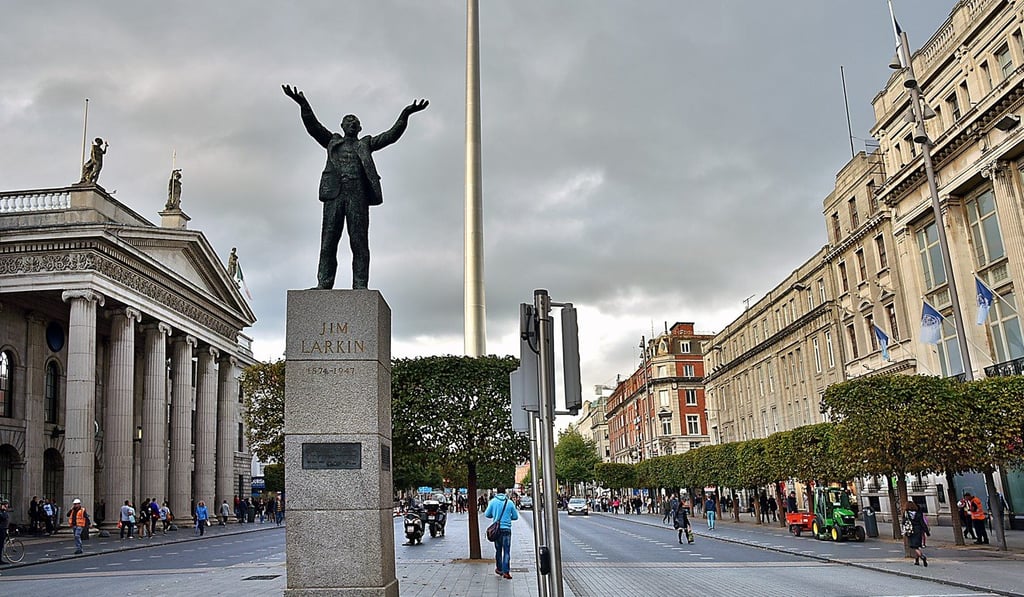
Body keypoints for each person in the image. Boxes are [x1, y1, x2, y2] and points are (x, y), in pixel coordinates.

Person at [282, 84, 429, 290]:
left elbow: (391, 135)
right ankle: (324, 283)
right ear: (342, 125)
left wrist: (406, 114)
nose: (352, 124)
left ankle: (360, 285)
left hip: (357, 196)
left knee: (359, 243)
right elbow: (313, 127)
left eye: (355, 122)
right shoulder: (333, 141)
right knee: (328, 242)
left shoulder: (365, 144)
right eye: (349, 121)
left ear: (359, 128)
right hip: (334, 194)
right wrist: (302, 103)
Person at [484, 486, 520, 580]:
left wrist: (495, 515)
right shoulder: (510, 502)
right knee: (507, 551)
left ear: (497, 492)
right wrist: (508, 518)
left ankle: (499, 569)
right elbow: (515, 516)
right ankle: (506, 572)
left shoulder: (493, 502)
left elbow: (487, 514)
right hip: (507, 529)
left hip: (497, 530)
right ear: (504, 492)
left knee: (498, 550)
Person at [902, 501, 930, 566]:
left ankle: (922, 556)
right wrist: (927, 532)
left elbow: (904, 522)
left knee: (914, 547)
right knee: (917, 546)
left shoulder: (906, 514)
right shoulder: (918, 513)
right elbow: (922, 523)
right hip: (919, 531)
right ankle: (916, 561)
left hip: (911, 531)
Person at [0, 500, 10, 564]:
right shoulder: (1, 512)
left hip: (4, 529)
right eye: (6, 505)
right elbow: (4, 517)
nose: (7, 506)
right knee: (0, 545)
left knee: (1, 545)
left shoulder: (3, 511)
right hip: (1, 529)